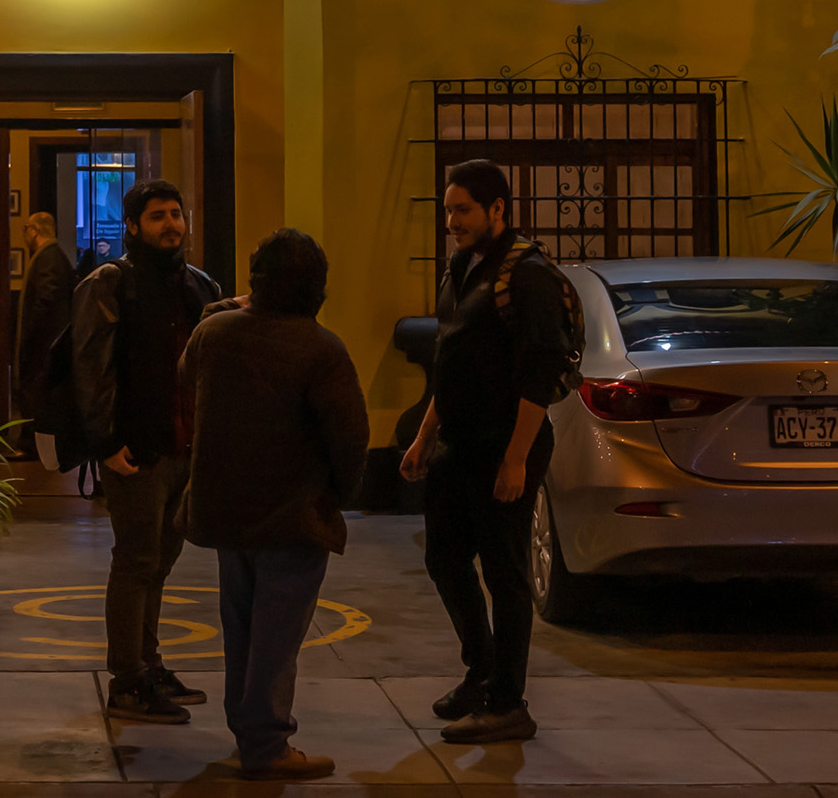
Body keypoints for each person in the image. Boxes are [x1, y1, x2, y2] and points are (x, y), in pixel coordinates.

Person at [181, 228, 367, 781]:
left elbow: (186, 376)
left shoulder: (214, 333)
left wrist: (225, 308)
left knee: (239, 629)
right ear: (317, 286)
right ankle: (267, 745)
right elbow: (350, 439)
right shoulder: (322, 348)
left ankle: (247, 734)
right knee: (276, 637)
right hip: (293, 513)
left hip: (225, 509)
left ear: (255, 280)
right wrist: (341, 495)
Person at [399, 159, 571, 745]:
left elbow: (539, 374)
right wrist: (426, 436)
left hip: (506, 443)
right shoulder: (461, 267)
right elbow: (453, 361)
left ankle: (507, 703)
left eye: (463, 210)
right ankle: (482, 672)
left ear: (497, 208)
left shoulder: (528, 275)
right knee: (444, 559)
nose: (452, 221)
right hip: (458, 440)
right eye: (448, 210)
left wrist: (516, 459)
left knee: (505, 571)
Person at [72, 179, 222, 723]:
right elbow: (90, 369)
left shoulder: (199, 285)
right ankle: (127, 681)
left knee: (160, 563)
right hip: (134, 452)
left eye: (176, 214)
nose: (171, 225)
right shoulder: (110, 283)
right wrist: (106, 443)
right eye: (157, 216)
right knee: (136, 562)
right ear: (132, 226)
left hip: (183, 448)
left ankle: (149, 663)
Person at [14, 210, 79, 440]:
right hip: (49, 345)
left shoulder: (47, 258)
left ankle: (32, 443)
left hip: (43, 346)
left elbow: (45, 303)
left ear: (35, 231)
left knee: (37, 396)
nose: (25, 235)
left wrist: (29, 336)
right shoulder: (55, 256)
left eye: (26, 229)